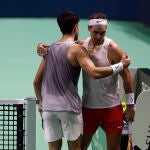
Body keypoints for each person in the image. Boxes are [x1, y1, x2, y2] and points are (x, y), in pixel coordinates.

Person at [35, 12, 132, 150]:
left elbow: (126, 76)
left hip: (111, 106)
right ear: (86, 28)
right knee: (79, 147)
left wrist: (130, 105)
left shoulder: (113, 49)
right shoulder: (80, 46)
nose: (99, 37)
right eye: (95, 33)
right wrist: (41, 46)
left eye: (102, 33)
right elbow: (91, 71)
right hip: (87, 108)